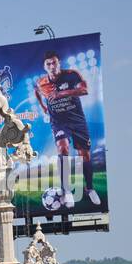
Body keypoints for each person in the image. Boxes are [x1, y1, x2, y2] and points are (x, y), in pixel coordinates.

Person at [35, 51, 100, 207]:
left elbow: (84, 90)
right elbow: (37, 92)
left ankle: (90, 189)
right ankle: (67, 191)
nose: (52, 66)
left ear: (59, 63)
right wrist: (44, 107)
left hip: (77, 120)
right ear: (45, 67)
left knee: (84, 156)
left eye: (54, 63)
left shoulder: (71, 75)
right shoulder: (41, 82)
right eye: (48, 64)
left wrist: (62, 93)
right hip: (59, 122)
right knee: (62, 148)